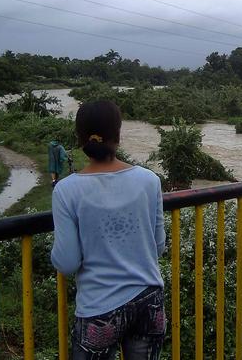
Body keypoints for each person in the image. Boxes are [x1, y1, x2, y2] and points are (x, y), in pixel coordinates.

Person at [51, 100, 166, 360]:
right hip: (149, 301)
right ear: (118, 135)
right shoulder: (150, 180)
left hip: (99, 310)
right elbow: (158, 246)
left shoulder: (67, 190)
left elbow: (67, 263)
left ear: (80, 138)